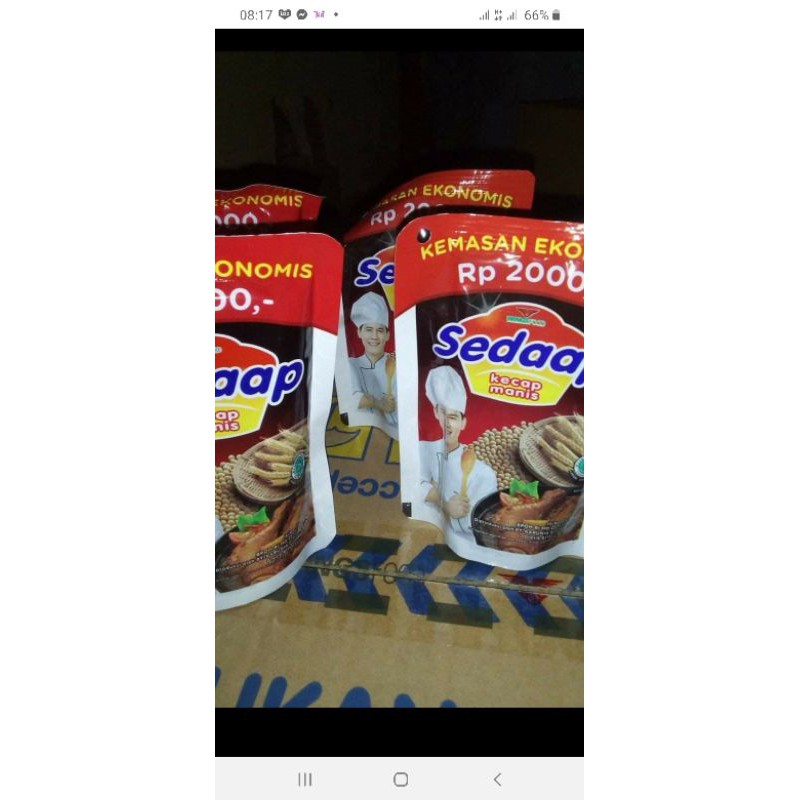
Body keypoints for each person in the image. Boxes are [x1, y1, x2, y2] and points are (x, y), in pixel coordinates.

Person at [419, 366, 497, 542]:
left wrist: (430, 488)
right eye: (444, 414)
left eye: (454, 417)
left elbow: (479, 522)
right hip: (421, 533)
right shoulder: (421, 448)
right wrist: (444, 503)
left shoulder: (483, 473)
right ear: (436, 412)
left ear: (463, 423)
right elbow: (411, 487)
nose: (448, 424)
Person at [348, 292, 398, 433]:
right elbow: (350, 398)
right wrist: (379, 403)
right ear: (359, 332)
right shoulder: (350, 364)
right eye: (369, 330)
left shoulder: (396, 364)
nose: (374, 336)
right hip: (358, 435)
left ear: (387, 335)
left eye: (380, 330)